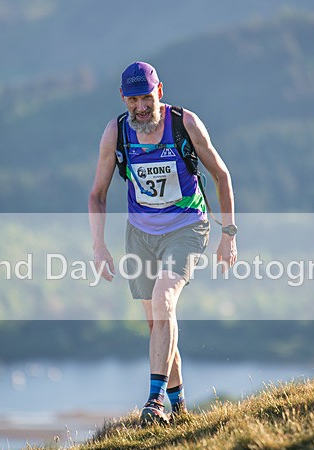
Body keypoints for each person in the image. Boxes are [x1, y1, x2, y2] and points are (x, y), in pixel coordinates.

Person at [88, 61, 237, 426]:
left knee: (164, 299)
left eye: (147, 97)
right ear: (124, 98)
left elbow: (221, 174)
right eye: (134, 99)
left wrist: (229, 235)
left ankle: (153, 404)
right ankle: (180, 409)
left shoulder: (184, 124)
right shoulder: (116, 133)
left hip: (187, 227)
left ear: (160, 92)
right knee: (159, 324)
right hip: (140, 235)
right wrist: (99, 246)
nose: (141, 107)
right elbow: (97, 194)